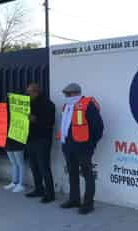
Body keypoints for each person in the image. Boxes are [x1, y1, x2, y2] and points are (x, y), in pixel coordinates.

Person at [59, 83, 104, 215]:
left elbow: (98, 127)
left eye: (67, 94)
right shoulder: (67, 106)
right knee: (72, 173)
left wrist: (91, 144)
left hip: (83, 147)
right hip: (68, 145)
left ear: (75, 93)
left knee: (87, 174)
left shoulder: (87, 105)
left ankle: (88, 204)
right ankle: (74, 199)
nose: (65, 96)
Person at [24, 83, 56, 203]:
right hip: (30, 139)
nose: (27, 94)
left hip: (42, 140)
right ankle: (39, 189)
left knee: (44, 167)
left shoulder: (48, 104)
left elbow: (50, 122)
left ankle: (50, 193)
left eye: (29, 92)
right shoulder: (28, 103)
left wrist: (36, 119)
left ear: (36, 92)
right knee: (34, 166)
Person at [4, 122, 25, 193]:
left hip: (17, 137)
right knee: (13, 162)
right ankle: (14, 182)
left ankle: (20, 184)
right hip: (8, 138)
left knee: (20, 163)